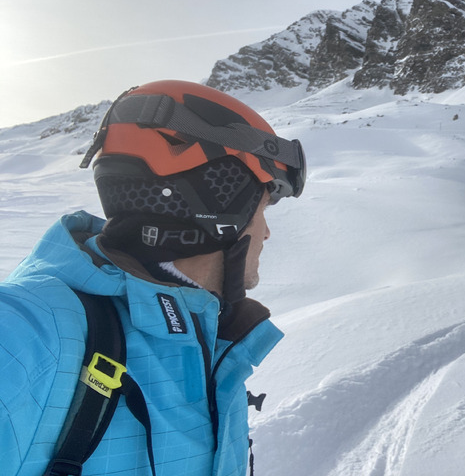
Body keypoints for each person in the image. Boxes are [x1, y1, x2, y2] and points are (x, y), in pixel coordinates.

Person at [0, 80, 306, 475]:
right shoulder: (29, 335)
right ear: (220, 203)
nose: (266, 233)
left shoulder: (205, 341)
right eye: (264, 210)